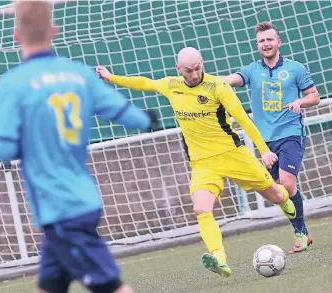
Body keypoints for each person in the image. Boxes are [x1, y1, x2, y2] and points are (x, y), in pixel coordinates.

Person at [0, 1, 158, 293]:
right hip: (82, 198)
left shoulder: (12, 84)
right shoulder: (78, 74)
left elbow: (3, 150)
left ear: (16, 35)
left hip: (59, 208)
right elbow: (123, 112)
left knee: (112, 287)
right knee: (49, 286)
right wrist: (147, 120)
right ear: (54, 31)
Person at [96, 46, 296, 278]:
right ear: (178, 69)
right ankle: (219, 258)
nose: (194, 74)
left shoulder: (218, 87)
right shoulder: (172, 86)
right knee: (201, 209)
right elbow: (144, 83)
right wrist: (112, 78)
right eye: (188, 70)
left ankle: (285, 201)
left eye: (197, 68)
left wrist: (263, 150)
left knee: (277, 196)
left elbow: (244, 119)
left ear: (202, 62)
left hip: (233, 155)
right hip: (202, 164)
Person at [221, 22, 320, 253]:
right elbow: (232, 79)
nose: (266, 44)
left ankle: (299, 235)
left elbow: (314, 96)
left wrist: (299, 102)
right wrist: (209, 81)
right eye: (261, 41)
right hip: (266, 142)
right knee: (278, 193)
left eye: (269, 40)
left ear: (278, 42)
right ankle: (303, 231)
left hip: (291, 134)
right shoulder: (252, 70)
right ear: (257, 45)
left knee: (286, 183)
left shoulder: (296, 68)